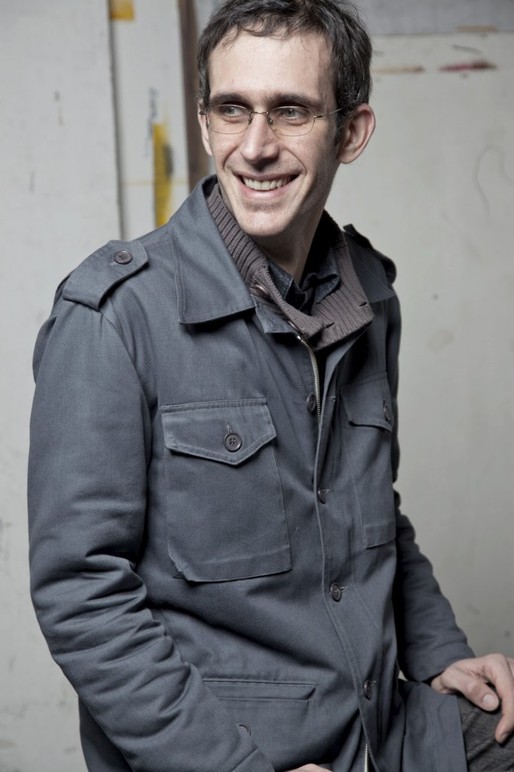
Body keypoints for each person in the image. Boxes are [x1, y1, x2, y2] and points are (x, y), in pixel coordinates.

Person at [28, 1, 514, 770]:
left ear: (350, 131)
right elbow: (83, 597)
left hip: (379, 728)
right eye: (232, 110)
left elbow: (367, 514)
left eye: (290, 111)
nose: (255, 147)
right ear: (205, 123)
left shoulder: (370, 296)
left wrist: (440, 652)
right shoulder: (115, 316)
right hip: (231, 750)